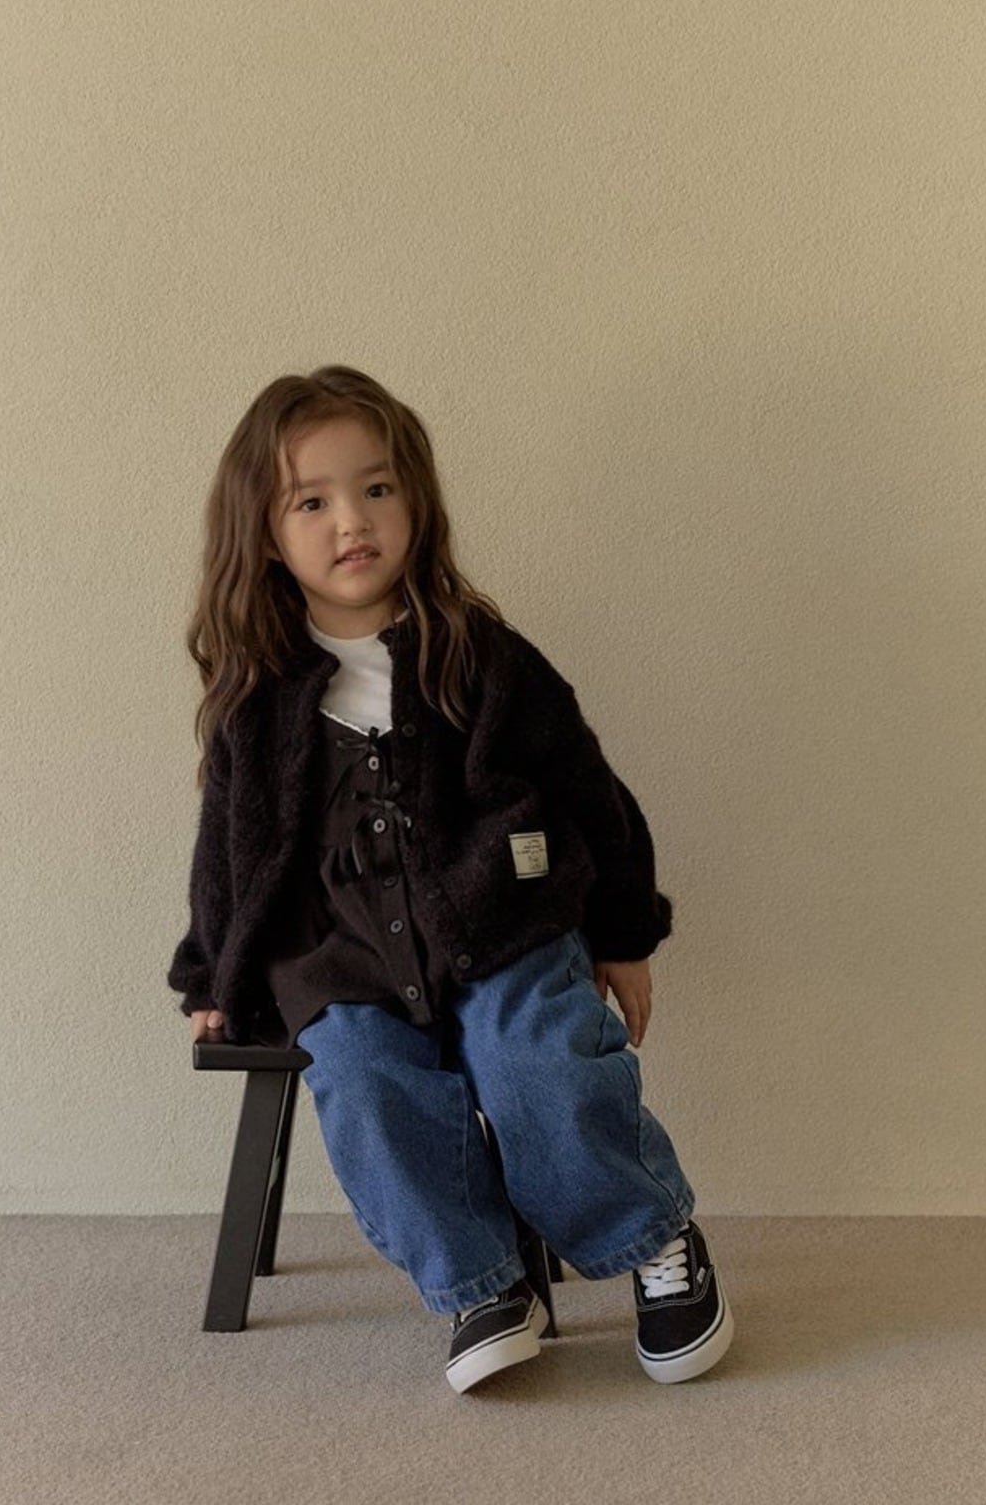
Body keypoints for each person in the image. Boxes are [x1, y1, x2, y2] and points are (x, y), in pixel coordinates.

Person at [169, 365, 734, 1392]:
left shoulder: (479, 656)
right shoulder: (260, 694)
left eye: (377, 488)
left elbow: (590, 792)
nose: (353, 520)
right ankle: (480, 1281)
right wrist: (212, 971)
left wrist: (622, 932)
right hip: (337, 950)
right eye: (312, 501)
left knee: (537, 1065)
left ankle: (656, 1238)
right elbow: (230, 848)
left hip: (502, 922)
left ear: (417, 502)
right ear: (266, 535)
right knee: (363, 1083)